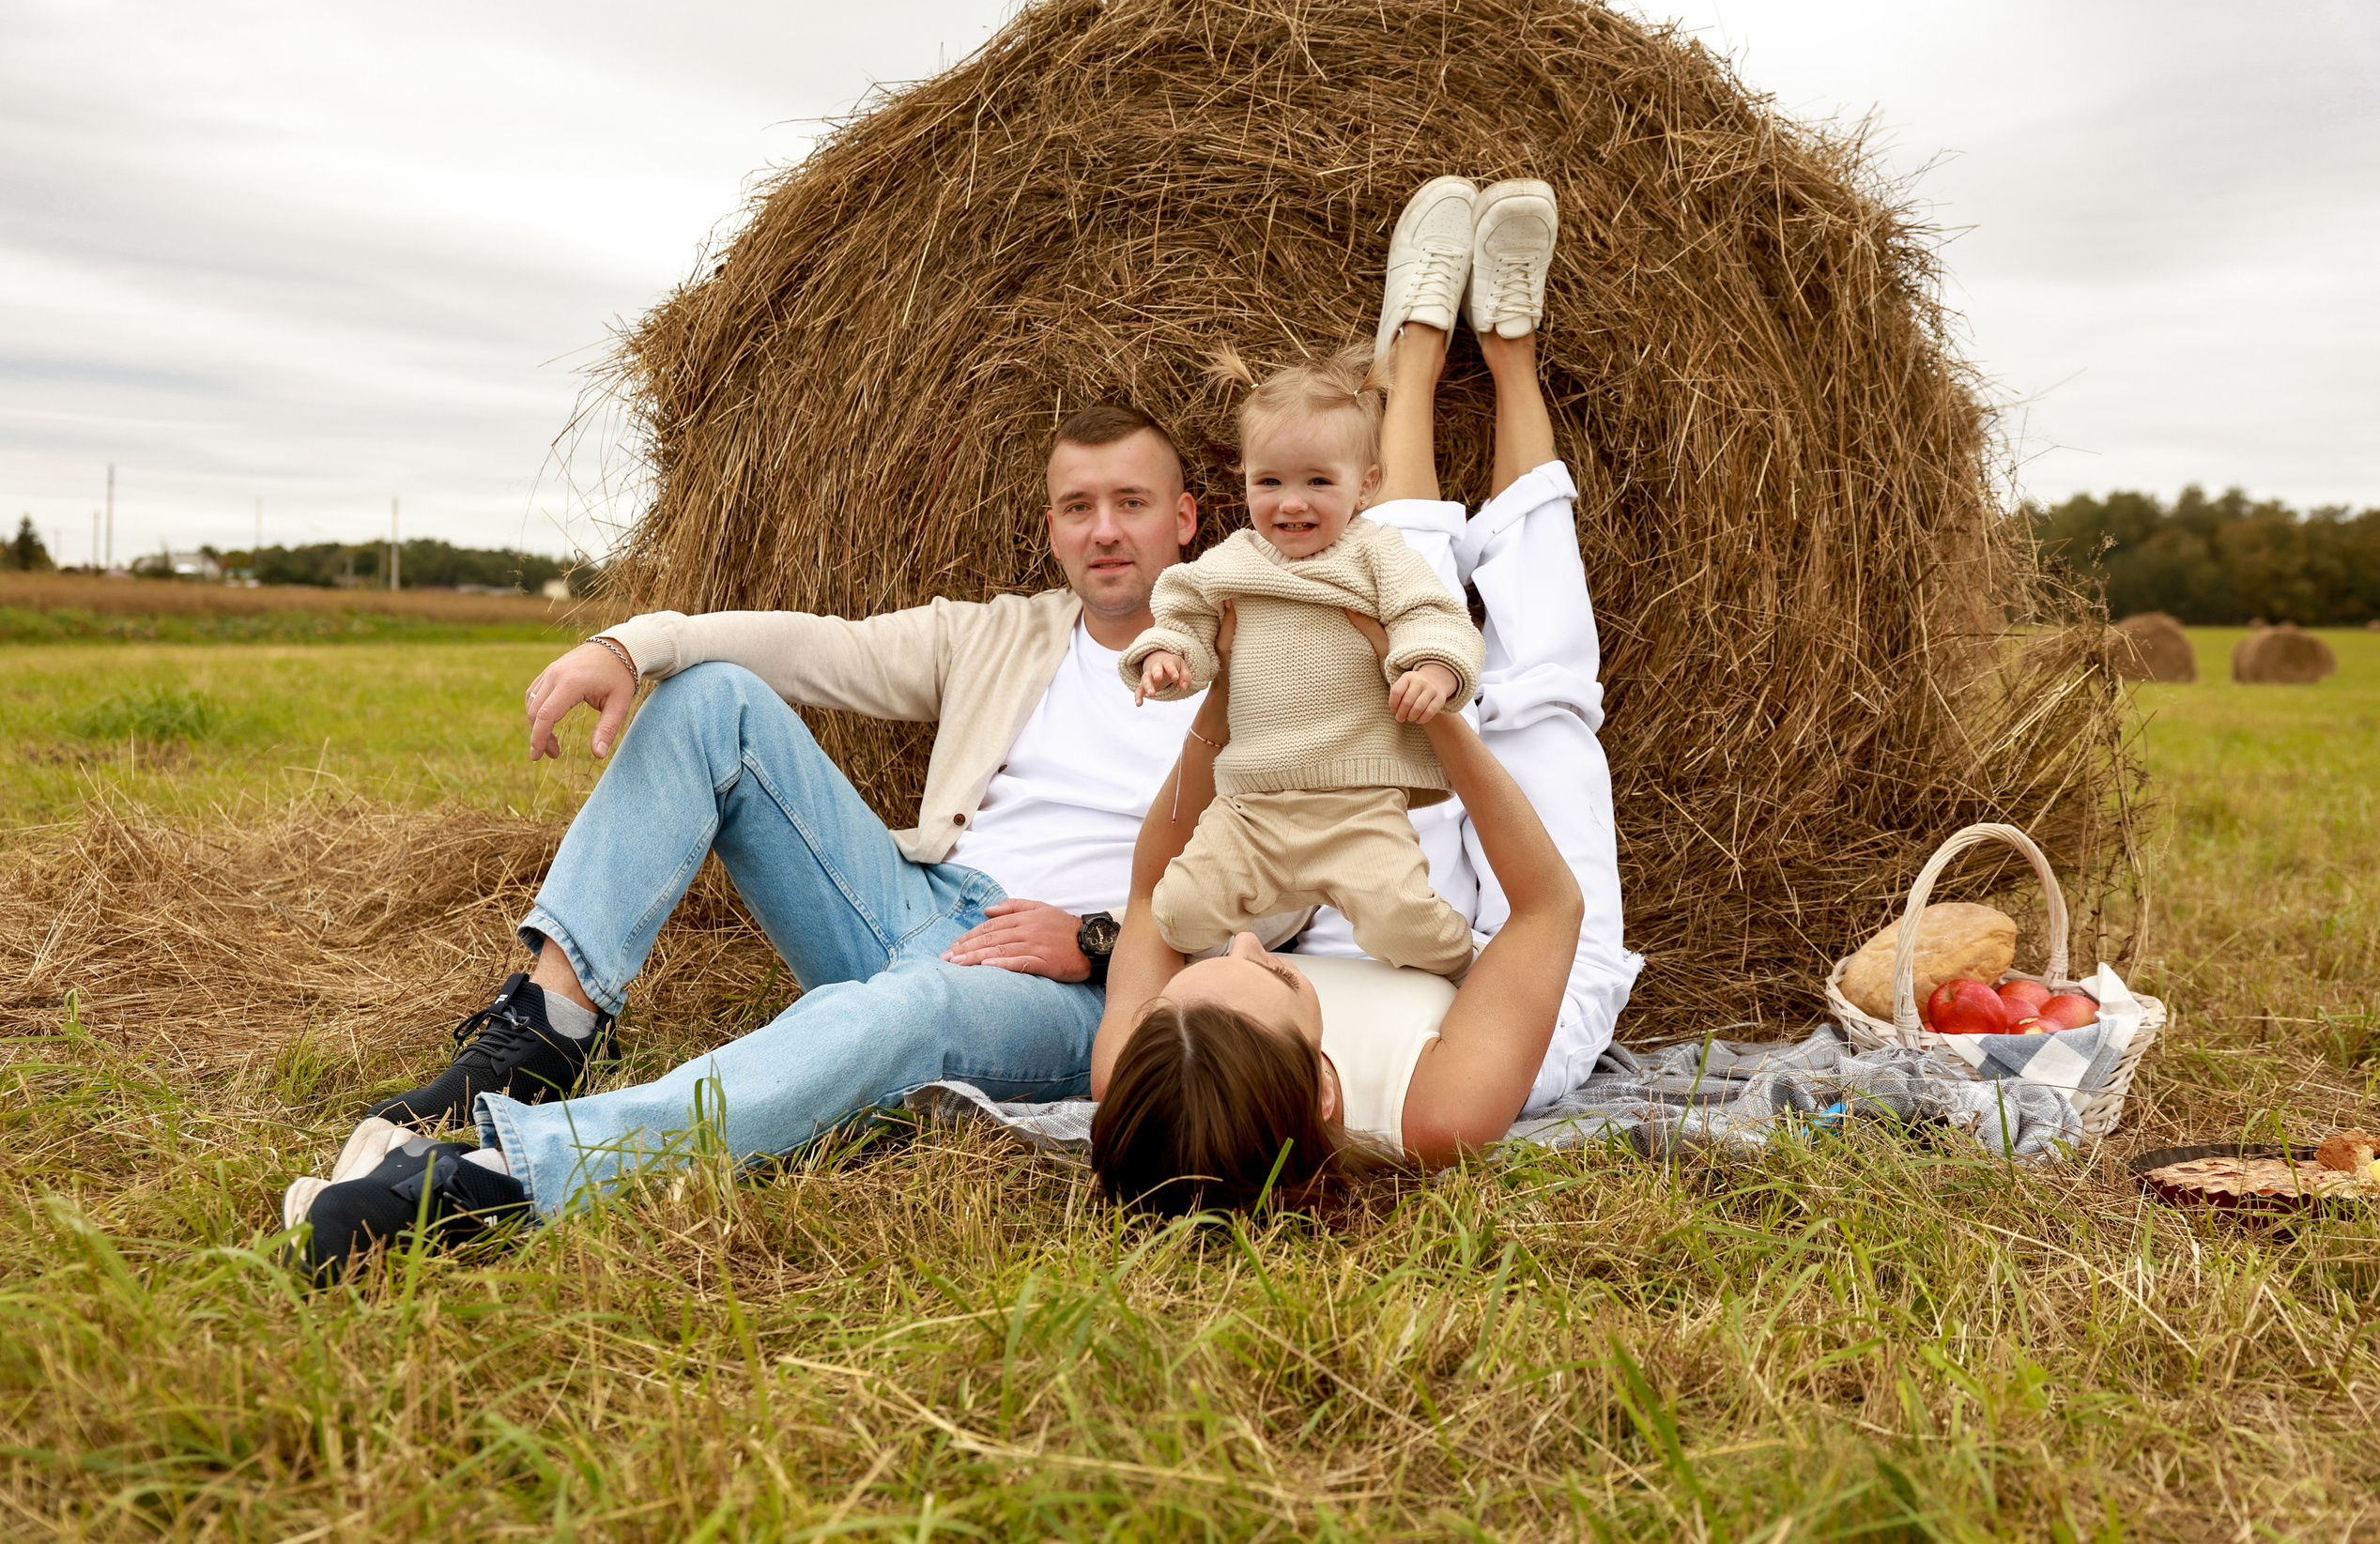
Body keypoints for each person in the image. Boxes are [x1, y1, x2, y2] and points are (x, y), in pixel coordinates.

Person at [284, 402, 1209, 1273]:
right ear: (1051, 528)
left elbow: (1280, 889)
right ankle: (548, 1028)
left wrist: (1095, 941)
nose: (1104, 530)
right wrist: (628, 646)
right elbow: (815, 648)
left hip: (1087, 982)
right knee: (711, 695)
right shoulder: (1003, 636)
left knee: (896, 1013)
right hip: (920, 905)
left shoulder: (1251, 672)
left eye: (1131, 503)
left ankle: (495, 1181)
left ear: (1186, 519)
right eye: (1077, 506)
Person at [1088, 174, 1641, 1208]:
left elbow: (1148, 896)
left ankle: (1414, 363)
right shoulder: (1437, 1118)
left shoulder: (1141, 1077)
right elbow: (1546, 906)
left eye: (1191, 980)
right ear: (1328, 1090)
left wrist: (1233, 686)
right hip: (1502, 979)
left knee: (1354, 630)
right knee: (1545, 699)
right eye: (1262, 971)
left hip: (1362, 908)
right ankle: (1511, 358)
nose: (1241, 940)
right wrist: (1449, 734)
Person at [1121, 346, 1486, 979]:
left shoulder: (1376, 555)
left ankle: (1475, 955)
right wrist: (1165, 654)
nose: (1291, 503)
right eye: (1270, 483)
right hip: (1251, 808)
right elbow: (1184, 611)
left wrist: (1434, 670)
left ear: (1366, 484)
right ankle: (1262, 939)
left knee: (1412, 927)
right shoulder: (1236, 559)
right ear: (1246, 482)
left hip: (1357, 806)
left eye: (1318, 482)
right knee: (1175, 910)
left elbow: (1436, 615)